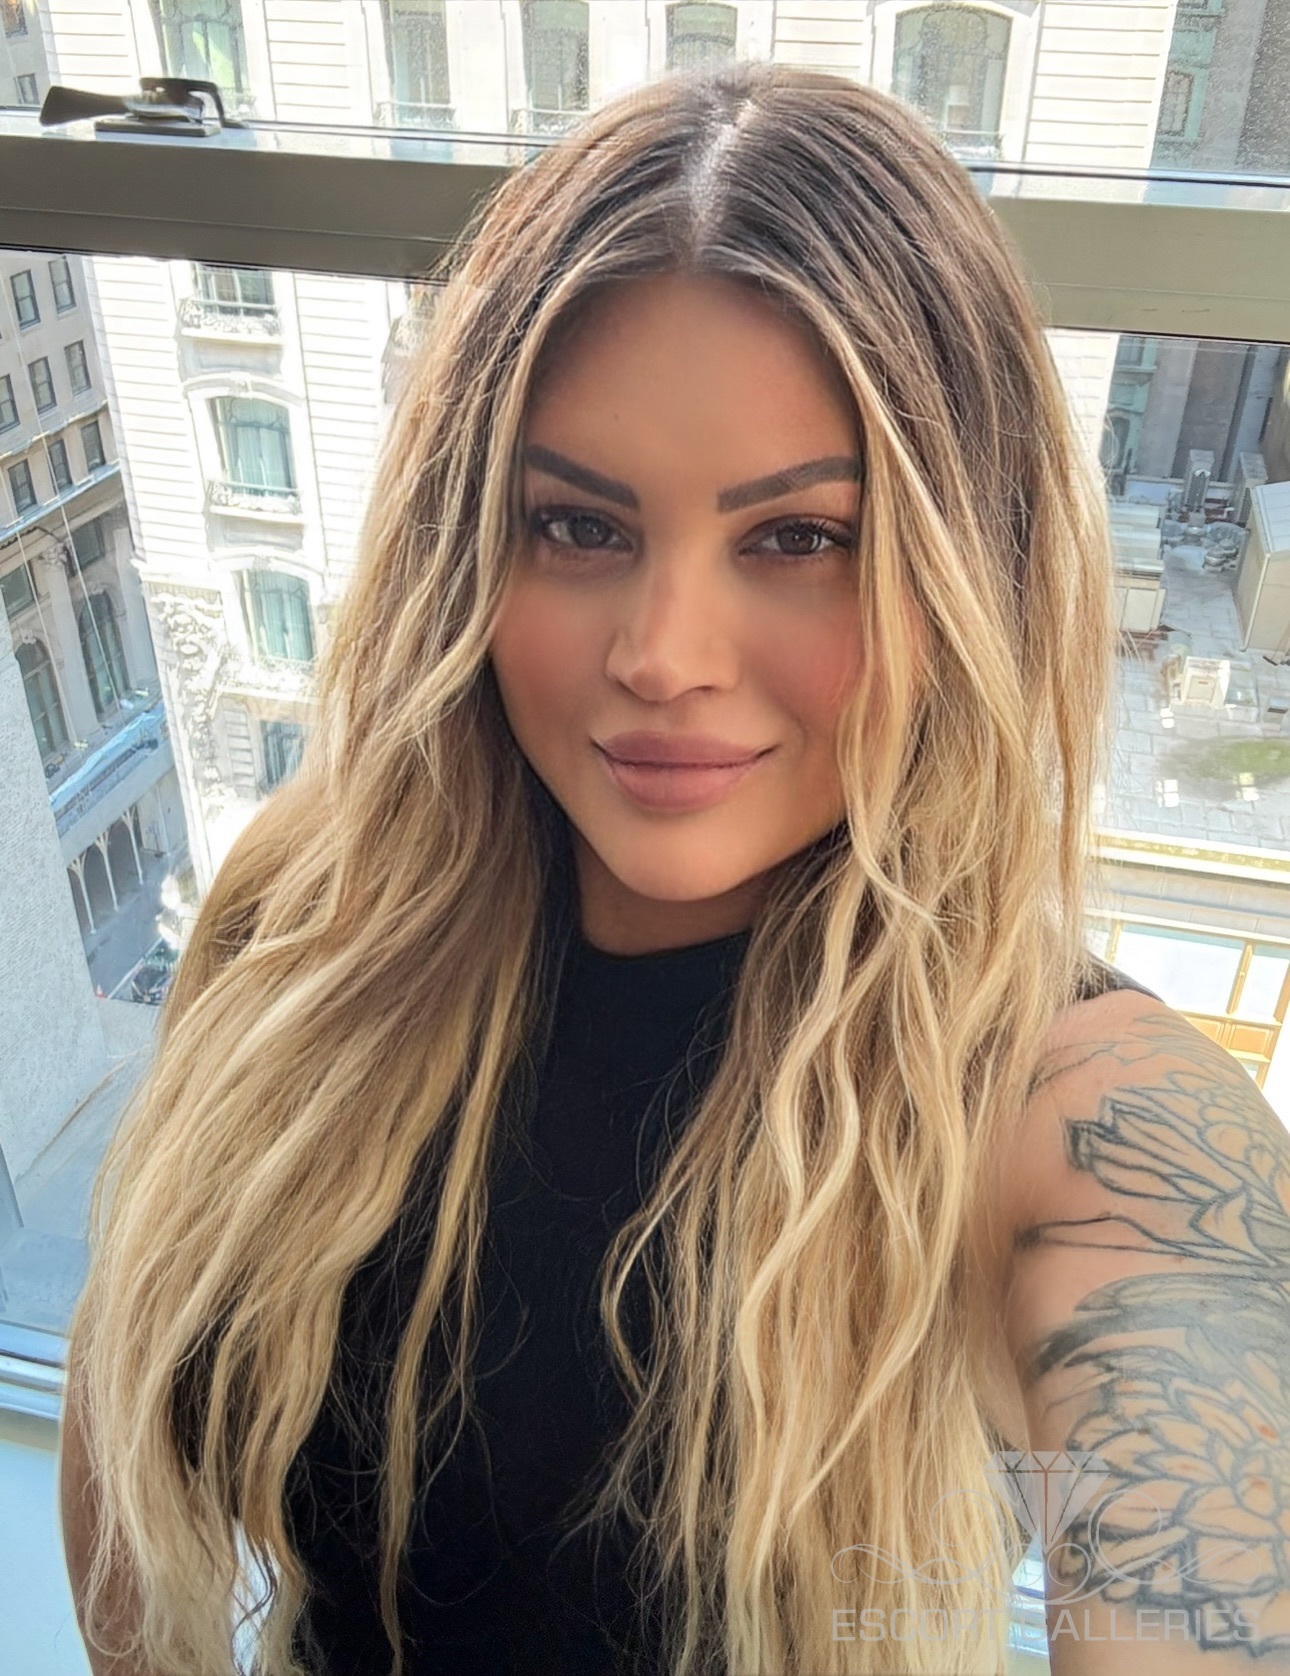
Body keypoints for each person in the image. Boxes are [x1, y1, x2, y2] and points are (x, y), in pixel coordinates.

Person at [59, 58, 1290, 1676]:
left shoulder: (1081, 1116)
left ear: (963, 574)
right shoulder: (311, 914)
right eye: (579, 527)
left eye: (799, 539)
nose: (660, 655)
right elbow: (126, 1397)